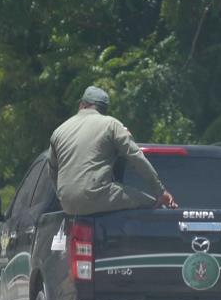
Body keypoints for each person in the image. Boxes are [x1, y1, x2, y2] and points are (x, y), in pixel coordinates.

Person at [48, 86, 177, 215]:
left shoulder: (58, 131)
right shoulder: (111, 124)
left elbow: (53, 171)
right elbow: (136, 157)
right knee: (155, 205)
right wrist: (160, 192)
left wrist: (62, 196)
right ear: (104, 109)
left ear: (82, 104)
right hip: (98, 195)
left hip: (67, 204)